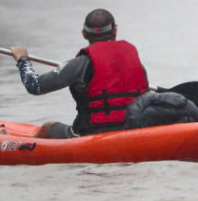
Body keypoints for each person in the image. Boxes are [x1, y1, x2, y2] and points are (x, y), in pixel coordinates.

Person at [9, 8, 148, 139]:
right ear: (115, 30)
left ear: (84, 33)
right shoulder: (135, 61)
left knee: (47, 128)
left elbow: (35, 86)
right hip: (135, 128)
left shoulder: (80, 64)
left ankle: (16, 147)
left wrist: (22, 60)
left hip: (92, 133)